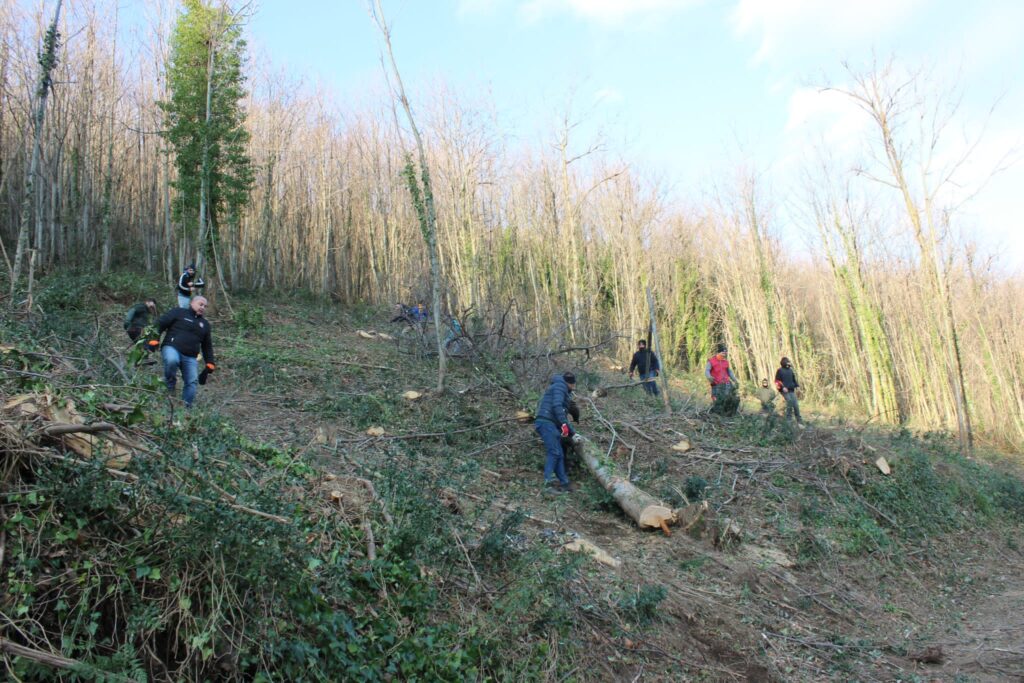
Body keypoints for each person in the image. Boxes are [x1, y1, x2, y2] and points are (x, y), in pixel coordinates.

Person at [158, 296, 215, 408]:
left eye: (205, 306)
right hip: (171, 347)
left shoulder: (205, 324)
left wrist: (210, 362)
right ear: (192, 303)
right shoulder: (178, 312)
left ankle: (186, 408)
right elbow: (160, 324)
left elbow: (207, 345)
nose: (202, 307)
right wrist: (153, 340)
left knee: (192, 381)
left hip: (190, 357)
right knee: (172, 360)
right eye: (200, 304)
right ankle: (170, 385)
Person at [535, 372, 576, 493]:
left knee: (559, 454)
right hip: (546, 422)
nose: (574, 388)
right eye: (574, 385)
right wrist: (564, 425)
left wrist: (572, 433)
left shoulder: (559, 387)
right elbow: (557, 406)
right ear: (571, 383)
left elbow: (561, 413)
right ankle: (547, 483)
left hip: (550, 423)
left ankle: (564, 483)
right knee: (554, 452)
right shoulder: (560, 386)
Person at [706, 344, 739, 416]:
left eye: (725, 353)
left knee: (729, 398)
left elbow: (729, 371)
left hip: (726, 384)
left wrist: (735, 380)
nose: (724, 354)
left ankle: (728, 413)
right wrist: (709, 377)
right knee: (716, 399)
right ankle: (716, 413)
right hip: (716, 384)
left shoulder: (725, 362)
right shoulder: (711, 361)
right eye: (723, 352)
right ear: (718, 352)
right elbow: (707, 371)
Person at [774, 357, 804, 427]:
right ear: (784, 363)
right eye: (787, 362)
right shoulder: (780, 370)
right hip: (784, 391)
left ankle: (799, 422)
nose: (789, 363)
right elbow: (777, 381)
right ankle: (788, 421)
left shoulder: (790, 370)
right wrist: (782, 387)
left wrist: (797, 386)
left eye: (789, 362)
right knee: (790, 402)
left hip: (791, 390)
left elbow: (794, 380)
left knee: (796, 405)